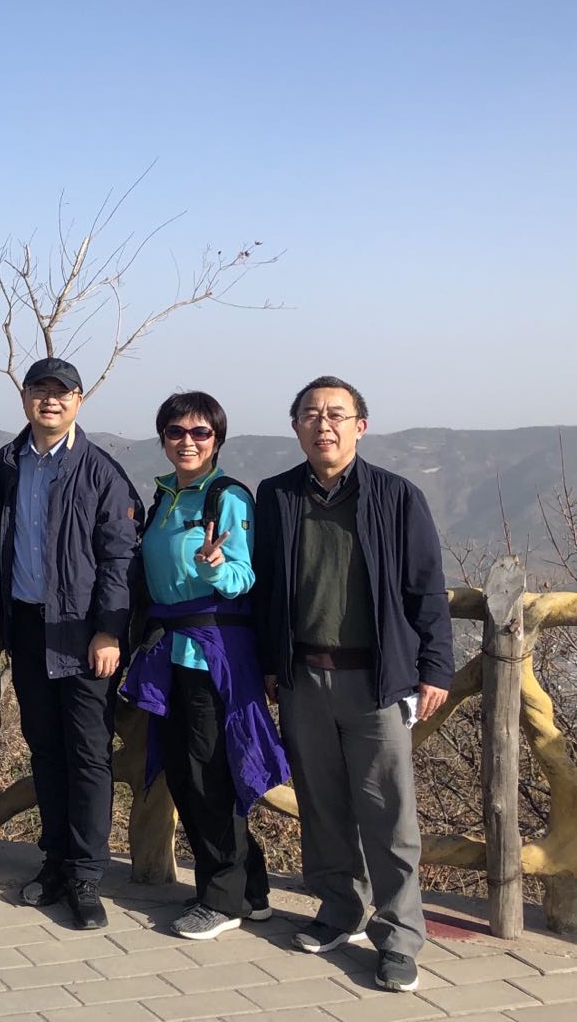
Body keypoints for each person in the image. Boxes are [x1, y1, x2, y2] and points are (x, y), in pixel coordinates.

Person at [254, 376, 452, 993]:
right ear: (296, 426)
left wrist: (436, 668)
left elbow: (426, 588)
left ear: (360, 427)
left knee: (389, 813)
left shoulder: (396, 496)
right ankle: (340, 909)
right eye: (311, 414)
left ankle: (399, 937)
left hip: (377, 680)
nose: (324, 425)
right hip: (303, 675)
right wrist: (270, 662)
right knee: (321, 805)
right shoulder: (276, 495)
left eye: (337, 414)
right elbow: (267, 587)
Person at [119, 391, 288, 940]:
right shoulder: (165, 494)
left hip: (212, 651)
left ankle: (221, 899)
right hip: (169, 650)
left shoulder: (227, 497)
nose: (187, 441)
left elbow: (243, 576)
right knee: (184, 771)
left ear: (217, 439)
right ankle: (251, 890)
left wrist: (216, 565)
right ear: (163, 438)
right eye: (176, 431)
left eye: (200, 433)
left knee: (209, 774)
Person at [0, 357, 140, 929]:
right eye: (40, 390)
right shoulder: (8, 463)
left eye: (62, 392)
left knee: (88, 754)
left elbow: (119, 557)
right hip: (28, 628)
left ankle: (85, 874)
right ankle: (54, 860)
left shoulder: (101, 472)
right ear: (25, 397)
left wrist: (109, 629)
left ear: (79, 400)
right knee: (46, 749)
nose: (50, 400)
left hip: (82, 633)